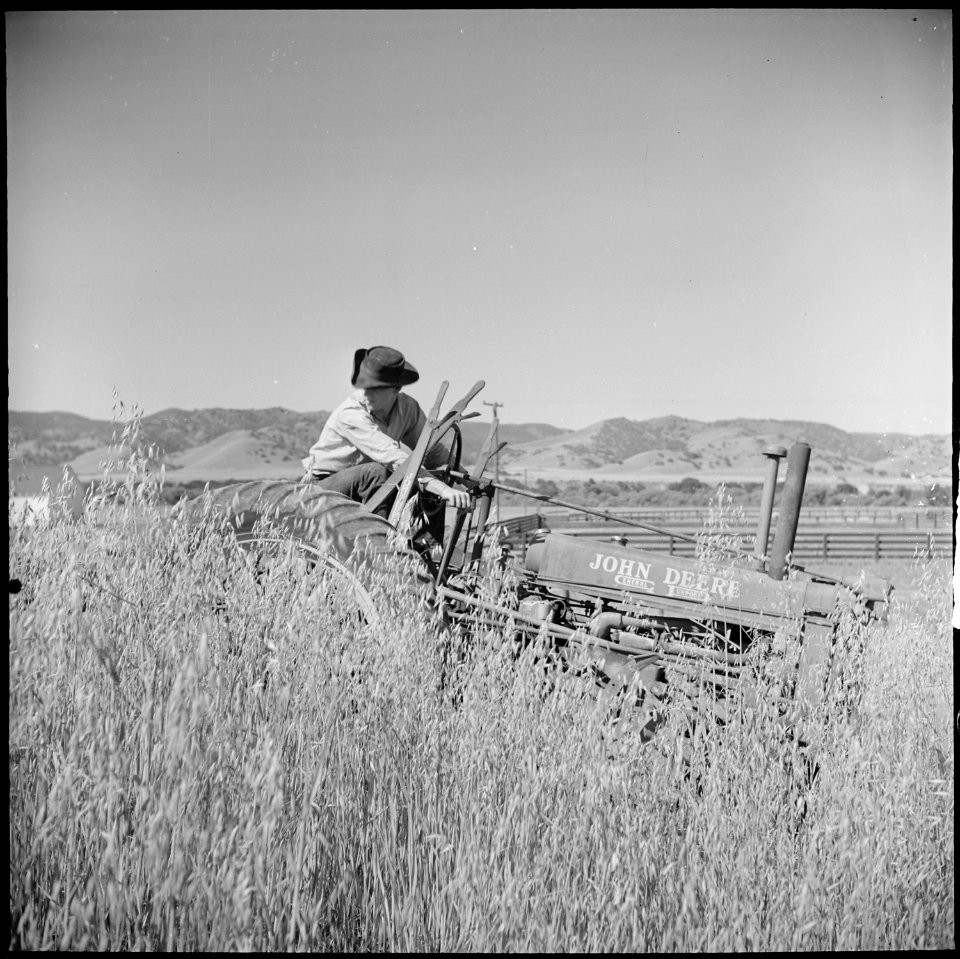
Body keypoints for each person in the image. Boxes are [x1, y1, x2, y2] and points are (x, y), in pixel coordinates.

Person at [302, 346, 471, 521]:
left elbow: (431, 451)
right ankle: (379, 543)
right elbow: (391, 456)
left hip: (366, 486)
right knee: (379, 472)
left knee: (427, 483)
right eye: (364, 385)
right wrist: (442, 489)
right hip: (323, 488)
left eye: (375, 388)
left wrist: (463, 476)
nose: (367, 393)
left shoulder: (408, 408)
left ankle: (424, 548)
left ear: (395, 388)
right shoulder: (351, 414)